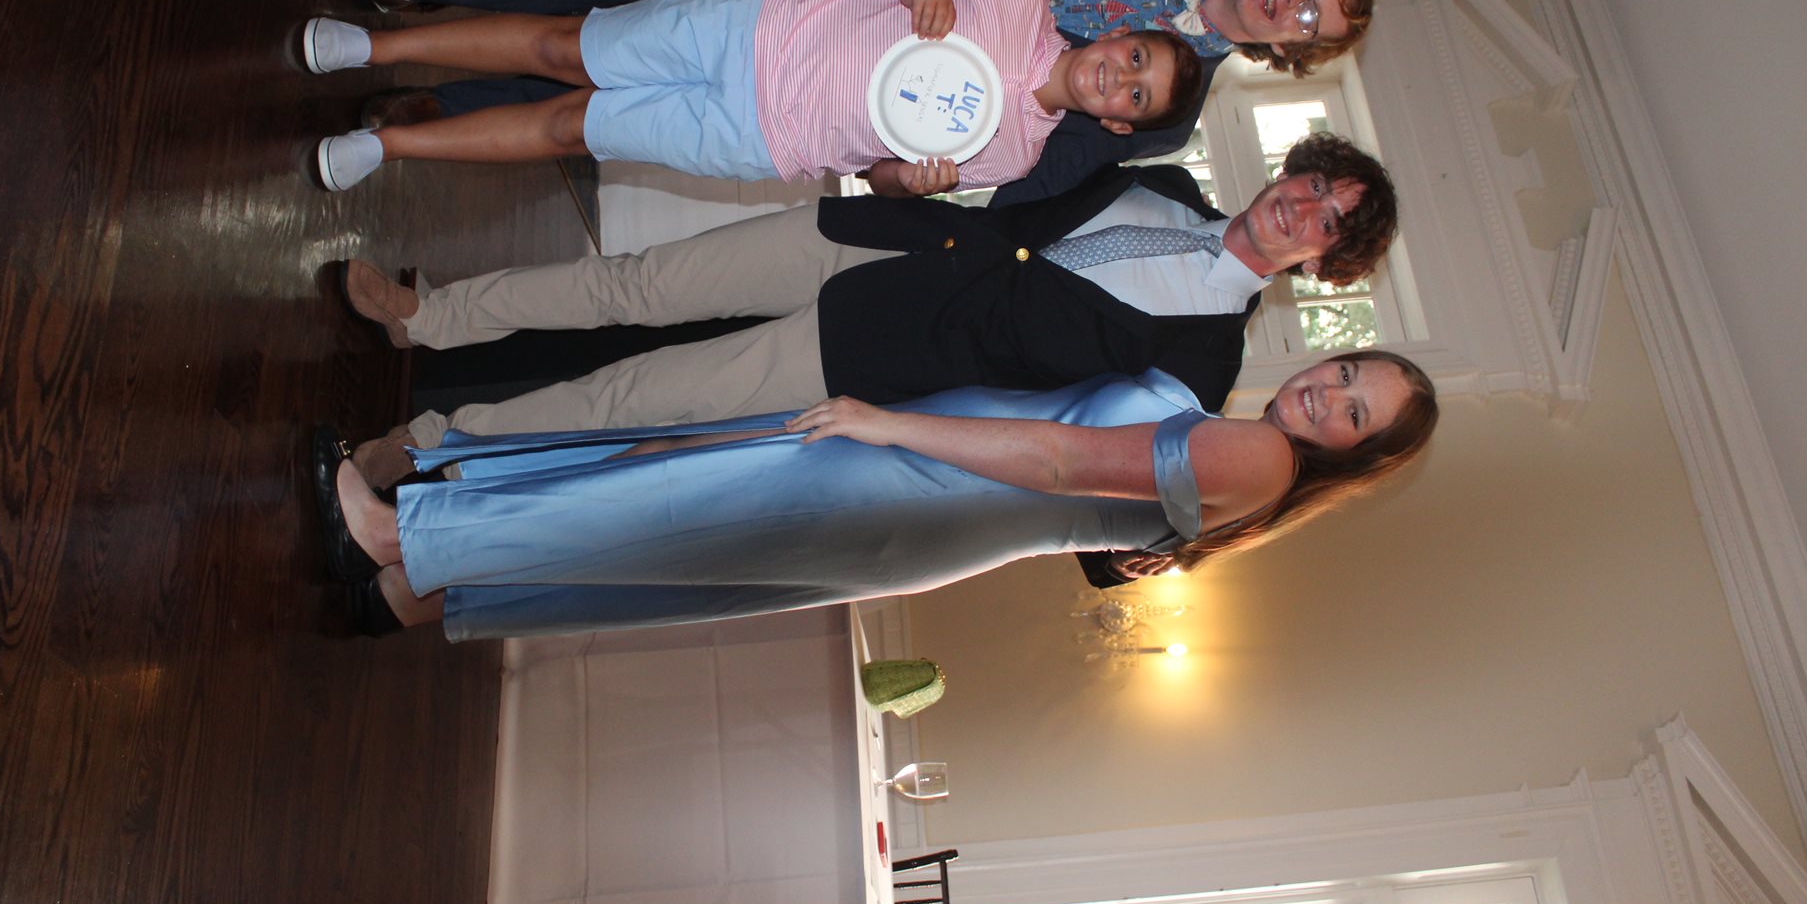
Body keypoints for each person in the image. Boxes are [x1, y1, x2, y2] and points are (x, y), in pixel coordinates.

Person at [336, 131, 1399, 578]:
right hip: (872, 237)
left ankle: (426, 443)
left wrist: (1168, 552)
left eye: (1328, 222)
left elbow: (1090, 479)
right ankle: (424, 317)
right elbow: (1020, 185)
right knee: (633, 283)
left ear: (1324, 263)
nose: (1303, 206)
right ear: (1291, 170)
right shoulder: (1163, 178)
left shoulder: (1203, 367)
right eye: (1313, 183)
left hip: (872, 355)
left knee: (628, 396)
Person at [311, 0, 1374, 204]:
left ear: (1291, 54)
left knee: (582, 117)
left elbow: (1020, 174)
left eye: (1309, 19)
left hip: (819, 115)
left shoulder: (1162, 123)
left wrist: (915, 182)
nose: (1291, 0)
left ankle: (428, 110)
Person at [314, 351, 1438, 637]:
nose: (1324, 392)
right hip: (921, 499)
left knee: (664, 510)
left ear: (1351, 455)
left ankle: (396, 538)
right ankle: (419, 588)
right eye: (1345, 371)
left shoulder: (1261, 459)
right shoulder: (1245, 445)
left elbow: (1062, 463)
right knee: (674, 518)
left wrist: (888, 422)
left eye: (1352, 412)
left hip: (914, 487)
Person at [302, 0, 1205, 196]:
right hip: (755, 27)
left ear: (1118, 125)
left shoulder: (1015, 155)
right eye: (1135, 56)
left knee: (572, 126)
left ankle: (390, 146)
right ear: (1117, 34)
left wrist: (911, 181)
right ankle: (375, 45)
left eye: (1135, 94)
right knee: (561, 46)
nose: (1119, 76)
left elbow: (876, 177)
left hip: (761, 136)